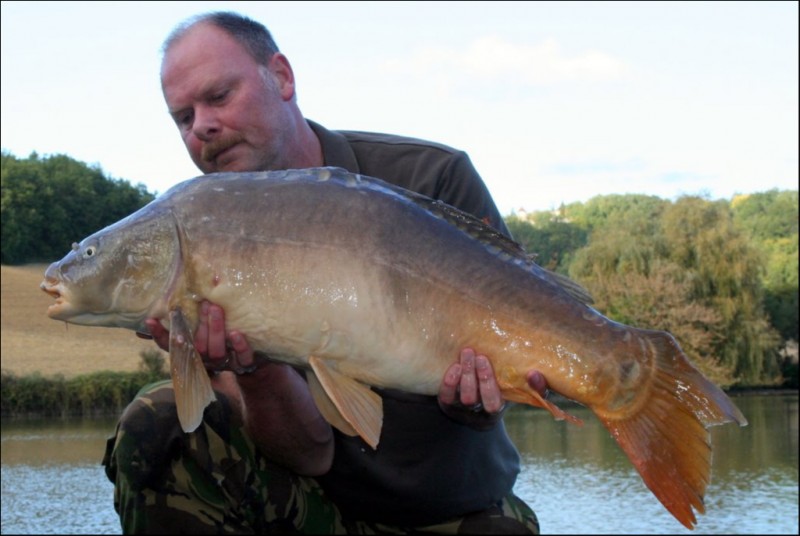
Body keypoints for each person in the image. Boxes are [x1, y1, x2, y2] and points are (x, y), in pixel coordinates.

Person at [103, 11, 549, 534]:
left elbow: (519, 348)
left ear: (282, 77)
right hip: (312, 505)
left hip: (455, 507)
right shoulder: (202, 242)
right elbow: (310, 451)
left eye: (219, 96)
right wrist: (254, 368)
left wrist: (479, 403)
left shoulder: (431, 177)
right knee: (157, 422)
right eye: (183, 117)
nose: (201, 125)